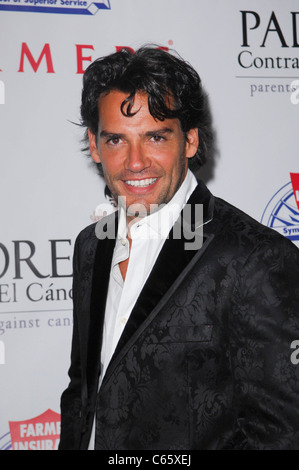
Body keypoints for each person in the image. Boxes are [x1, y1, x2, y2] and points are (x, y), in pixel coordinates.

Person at [59, 46, 299, 450]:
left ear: (189, 140)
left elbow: (286, 433)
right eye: (117, 139)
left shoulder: (255, 259)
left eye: (155, 136)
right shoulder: (91, 246)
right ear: (95, 145)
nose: (135, 162)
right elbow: (83, 389)